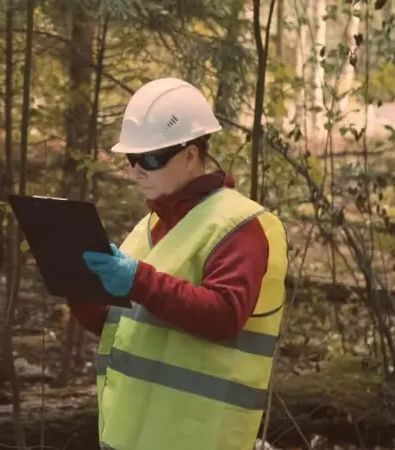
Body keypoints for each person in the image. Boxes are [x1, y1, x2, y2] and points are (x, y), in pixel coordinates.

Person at [71, 78, 288, 450]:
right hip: (131, 437)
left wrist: (138, 280)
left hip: (198, 437)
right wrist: (79, 288)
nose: (138, 170)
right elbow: (123, 326)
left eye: (151, 159)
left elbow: (224, 315)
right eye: (132, 159)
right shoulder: (150, 227)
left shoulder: (240, 226)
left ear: (190, 156)